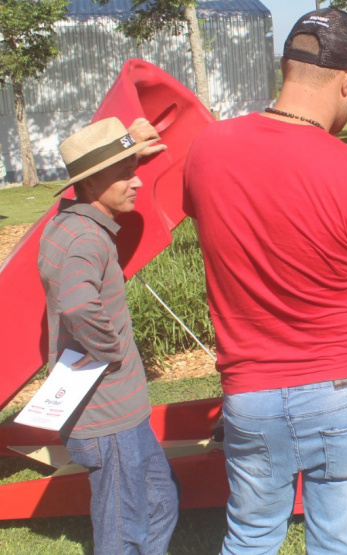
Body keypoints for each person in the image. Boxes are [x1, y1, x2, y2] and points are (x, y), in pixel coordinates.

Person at [182, 8, 347, 555]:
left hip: (250, 394)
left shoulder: (206, 150)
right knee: (338, 544)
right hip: (343, 390)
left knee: (249, 537)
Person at [37, 117, 178, 554]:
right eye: (125, 173)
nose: (136, 182)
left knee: (161, 500)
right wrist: (112, 351)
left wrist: (132, 142)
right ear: (93, 181)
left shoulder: (69, 224)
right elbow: (78, 305)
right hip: (108, 418)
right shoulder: (86, 239)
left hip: (119, 412)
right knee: (122, 525)